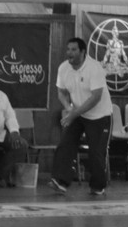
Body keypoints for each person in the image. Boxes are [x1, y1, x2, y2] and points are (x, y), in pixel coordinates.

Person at [48, 37, 113, 197]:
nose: (69, 53)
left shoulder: (94, 68)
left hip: (100, 115)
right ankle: (61, 181)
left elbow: (96, 97)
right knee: (65, 143)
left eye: (73, 50)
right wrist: (69, 108)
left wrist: (73, 114)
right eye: (68, 49)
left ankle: (98, 186)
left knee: (96, 152)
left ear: (83, 52)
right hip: (78, 113)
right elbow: (61, 92)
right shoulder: (64, 68)